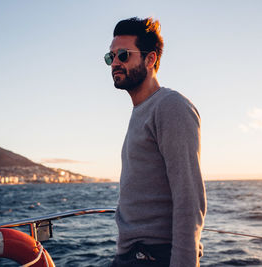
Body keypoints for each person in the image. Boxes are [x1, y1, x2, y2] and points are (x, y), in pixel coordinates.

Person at [105, 17, 207, 267]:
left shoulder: (170, 106)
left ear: (150, 59)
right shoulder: (141, 110)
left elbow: (189, 197)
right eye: (110, 57)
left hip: (153, 256)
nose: (115, 63)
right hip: (131, 254)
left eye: (123, 55)